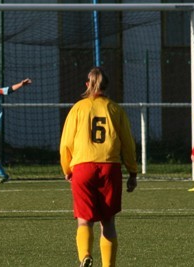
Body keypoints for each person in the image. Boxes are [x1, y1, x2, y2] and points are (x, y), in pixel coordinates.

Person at [60, 67, 138, 267]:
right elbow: (127, 142)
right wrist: (132, 171)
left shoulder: (78, 108)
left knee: (84, 220)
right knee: (108, 222)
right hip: (109, 168)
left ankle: (85, 255)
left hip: (83, 168)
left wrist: (67, 169)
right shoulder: (115, 108)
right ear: (107, 86)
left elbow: (66, 143)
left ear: (87, 84)